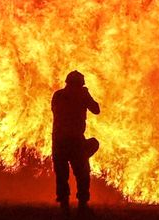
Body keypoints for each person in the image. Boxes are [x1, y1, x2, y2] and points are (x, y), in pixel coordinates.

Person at [51, 70, 100, 215]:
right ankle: (82, 205)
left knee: (61, 174)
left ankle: (64, 206)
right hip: (75, 140)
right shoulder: (82, 95)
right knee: (83, 172)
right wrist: (85, 94)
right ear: (80, 84)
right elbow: (96, 110)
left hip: (59, 140)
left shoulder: (58, 95)